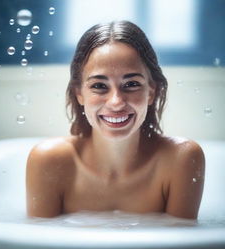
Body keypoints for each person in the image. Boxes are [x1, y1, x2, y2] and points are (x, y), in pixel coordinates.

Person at [26, 20, 205, 219]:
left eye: (131, 84)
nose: (116, 102)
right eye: (99, 86)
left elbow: (182, 248)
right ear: (79, 93)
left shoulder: (181, 159)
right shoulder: (49, 161)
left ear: (152, 91)